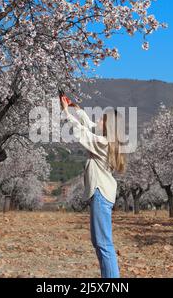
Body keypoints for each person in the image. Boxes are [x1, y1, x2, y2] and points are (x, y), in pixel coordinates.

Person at [60, 96, 126, 278]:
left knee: (103, 243)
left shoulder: (101, 143)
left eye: (101, 118)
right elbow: (87, 124)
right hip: (102, 194)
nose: (97, 119)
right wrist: (77, 109)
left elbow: (81, 132)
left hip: (100, 193)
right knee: (99, 242)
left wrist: (66, 112)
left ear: (107, 125)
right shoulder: (106, 141)